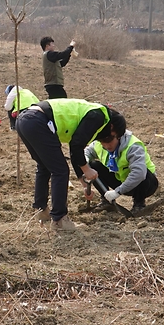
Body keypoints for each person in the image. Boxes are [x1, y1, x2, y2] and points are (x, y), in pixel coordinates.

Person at [15, 98, 123, 231]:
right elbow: (76, 146)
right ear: (112, 127)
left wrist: (84, 183)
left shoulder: (93, 113)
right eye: (114, 136)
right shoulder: (98, 116)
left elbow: (74, 149)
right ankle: (59, 220)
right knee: (60, 171)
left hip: (24, 120)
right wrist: (87, 169)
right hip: (38, 120)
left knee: (44, 167)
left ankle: (41, 211)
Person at [84, 123, 158, 214]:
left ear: (118, 136)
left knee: (141, 172)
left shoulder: (133, 146)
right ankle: (106, 200)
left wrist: (117, 192)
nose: (107, 145)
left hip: (145, 184)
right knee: (92, 166)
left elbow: (139, 173)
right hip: (120, 179)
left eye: (110, 140)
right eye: (103, 141)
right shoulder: (98, 144)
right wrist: (85, 159)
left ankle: (139, 204)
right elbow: (87, 152)